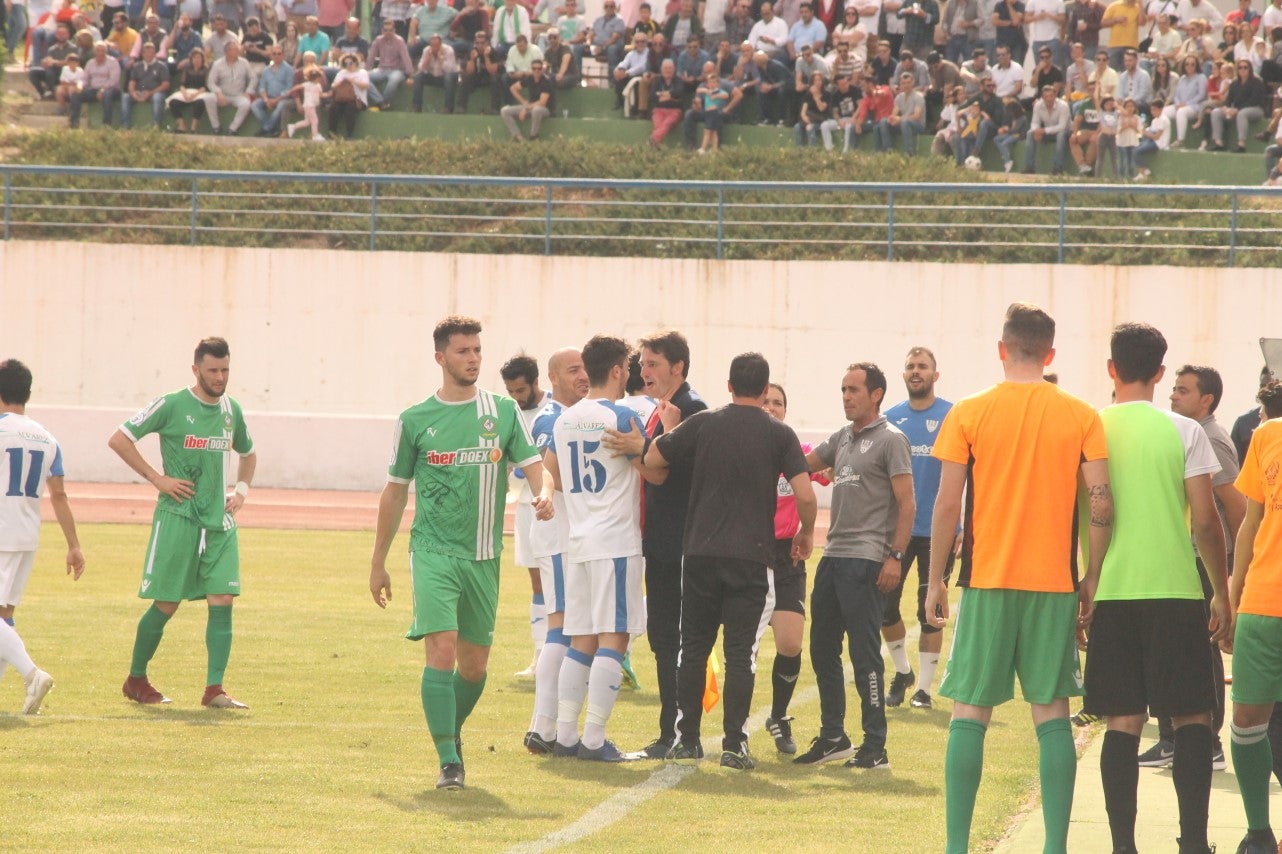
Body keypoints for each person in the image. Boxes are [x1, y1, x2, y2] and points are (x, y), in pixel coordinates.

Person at [925, 302, 1113, 854]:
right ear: (1050, 353)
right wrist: (1092, 576)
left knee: (969, 713)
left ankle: (956, 848)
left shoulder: (969, 411)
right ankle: (1054, 847)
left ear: (1002, 348)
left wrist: (935, 578)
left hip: (986, 579)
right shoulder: (1081, 414)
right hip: (1053, 582)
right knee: (1052, 713)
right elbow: (1101, 504)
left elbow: (946, 504)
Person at [368, 315, 551, 792]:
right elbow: (393, 493)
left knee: (474, 667)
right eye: (463, 351)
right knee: (442, 650)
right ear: (440, 358)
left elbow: (535, 467)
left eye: (476, 351)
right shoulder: (414, 420)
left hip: (484, 556)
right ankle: (449, 760)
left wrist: (544, 492)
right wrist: (377, 561)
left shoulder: (503, 413)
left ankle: (450, 728)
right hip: (432, 551)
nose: (472, 359)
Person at [1080, 324, 1228, 854]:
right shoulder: (1185, 430)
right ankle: (1193, 843)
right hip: (1176, 591)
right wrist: (1222, 592)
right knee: (1192, 715)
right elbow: (1206, 523)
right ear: (1161, 372)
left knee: (1122, 719)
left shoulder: (1089, 428)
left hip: (1112, 592)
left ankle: (1123, 845)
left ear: (1110, 368)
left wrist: (1083, 584)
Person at [642, 352, 815, 770]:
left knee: (694, 648)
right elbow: (806, 495)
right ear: (765, 386)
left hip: (699, 552)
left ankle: (687, 739)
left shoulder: (703, 424)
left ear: (729, 384)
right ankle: (735, 744)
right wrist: (806, 533)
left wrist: (668, 435)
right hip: (751, 557)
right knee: (741, 653)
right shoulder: (779, 434)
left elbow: (653, 460)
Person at [107, 337, 257, 710]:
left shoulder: (230, 410)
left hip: (219, 522)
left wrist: (240, 490)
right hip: (178, 517)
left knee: (223, 598)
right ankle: (136, 678)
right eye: (212, 371)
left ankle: (214, 689)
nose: (220, 377)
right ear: (196, 369)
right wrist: (157, 478)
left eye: (225, 370)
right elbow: (120, 439)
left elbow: (248, 453)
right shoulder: (172, 404)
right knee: (167, 603)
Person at [792, 361, 913, 771]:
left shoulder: (892, 440)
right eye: (843, 389)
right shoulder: (842, 437)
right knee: (822, 649)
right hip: (833, 556)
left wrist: (894, 556)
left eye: (854, 390)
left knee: (864, 656)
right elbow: (803, 463)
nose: (846, 397)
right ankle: (833, 737)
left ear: (876, 394)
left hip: (866, 560)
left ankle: (875, 745)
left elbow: (907, 505)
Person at [543, 336, 651, 762]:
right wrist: (648, 447)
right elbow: (654, 473)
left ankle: (566, 736)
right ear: (621, 371)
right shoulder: (622, 415)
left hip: (580, 541)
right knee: (615, 636)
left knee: (581, 637)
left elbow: (548, 472)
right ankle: (593, 740)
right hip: (616, 540)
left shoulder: (565, 419)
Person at [1133, 365, 1246, 772]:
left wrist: (1235, 573)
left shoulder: (1211, 439)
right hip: (1188, 558)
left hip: (1204, 561)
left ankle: (1206, 741)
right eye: (1173, 389)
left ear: (1207, 400)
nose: (1173, 396)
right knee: (1181, 648)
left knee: (1202, 648)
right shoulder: (1181, 433)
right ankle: (1172, 737)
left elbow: (1236, 509)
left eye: (1183, 391)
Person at [601, 330, 707, 760]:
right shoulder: (660, 409)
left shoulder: (692, 408)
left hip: (681, 541)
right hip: (661, 541)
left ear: (677, 367)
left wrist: (638, 450)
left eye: (652, 364)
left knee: (680, 638)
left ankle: (682, 733)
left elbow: (672, 469)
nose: (643, 372)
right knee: (664, 638)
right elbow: (654, 466)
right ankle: (670, 732)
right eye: (642, 364)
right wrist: (639, 452)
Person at [0, 359, 85, 715]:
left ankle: (32, 673)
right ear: (28, 393)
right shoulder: (47, 438)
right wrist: (74, 545)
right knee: (4, 616)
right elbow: (59, 495)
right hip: (27, 536)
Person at [1223, 378, 1282, 854]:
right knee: (1246, 719)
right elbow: (1251, 520)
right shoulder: (1266, 435)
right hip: (1263, 602)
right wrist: (1232, 589)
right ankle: (1259, 831)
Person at [521, 348, 590, 754]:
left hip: (566, 537)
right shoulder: (553, 419)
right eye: (572, 370)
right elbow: (546, 474)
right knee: (562, 629)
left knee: (568, 628)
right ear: (552, 378)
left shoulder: (571, 417)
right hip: (559, 537)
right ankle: (544, 728)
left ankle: (549, 728)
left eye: (584, 368)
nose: (582, 376)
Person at [880, 347, 953, 710]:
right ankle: (902, 671)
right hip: (899, 530)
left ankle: (923, 689)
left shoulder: (952, 417)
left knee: (930, 611)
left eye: (922, 366)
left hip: (938, 531)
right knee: (883, 605)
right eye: (910, 366)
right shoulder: (890, 418)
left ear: (935, 376)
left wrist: (962, 528)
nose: (915, 371)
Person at [761, 383, 828, 753]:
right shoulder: (744, 449)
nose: (771, 408)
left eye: (778, 403)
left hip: (787, 557)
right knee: (744, 647)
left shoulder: (798, 452)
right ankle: (733, 729)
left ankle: (778, 714)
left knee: (789, 643)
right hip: (747, 555)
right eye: (766, 401)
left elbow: (829, 470)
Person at [499, 353, 551, 679]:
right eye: (511, 391)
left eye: (521, 390)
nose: (517, 397)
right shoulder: (509, 414)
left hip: (551, 507)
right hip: (525, 509)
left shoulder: (552, 412)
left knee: (558, 579)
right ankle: (539, 658)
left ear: (535, 382)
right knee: (536, 582)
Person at [500, 58, 555, 141]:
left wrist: (526, 109)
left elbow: (542, 102)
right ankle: (519, 138)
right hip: (530, 106)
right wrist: (524, 102)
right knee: (504, 110)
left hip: (545, 109)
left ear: (542, 69)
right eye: (534, 69)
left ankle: (533, 136)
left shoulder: (546, 81)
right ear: (531, 69)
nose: (536, 71)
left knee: (536, 110)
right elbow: (513, 88)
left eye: (539, 69)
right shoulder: (530, 78)